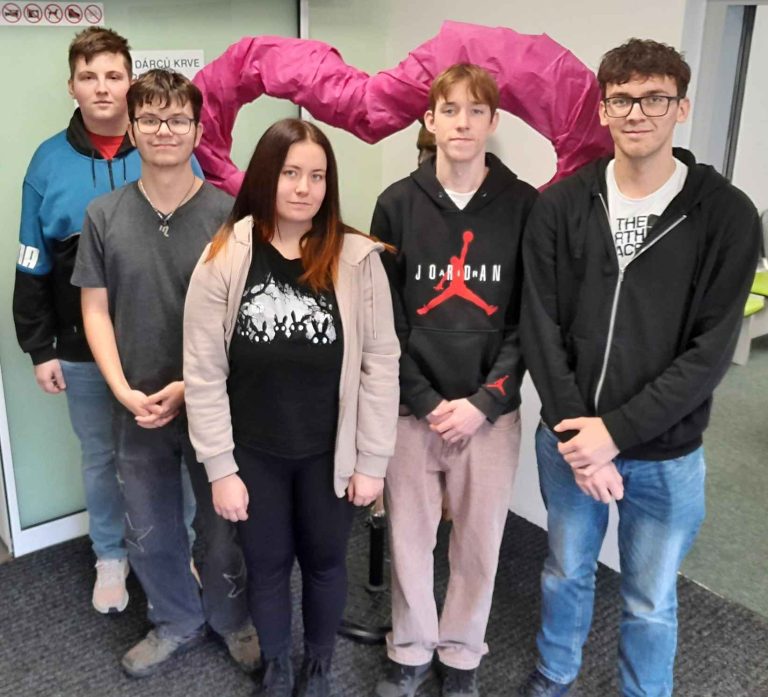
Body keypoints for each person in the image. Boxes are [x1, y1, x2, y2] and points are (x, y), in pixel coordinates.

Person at [518, 39, 761, 697]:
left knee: (650, 598)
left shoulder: (727, 216)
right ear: (603, 109)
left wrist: (615, 434)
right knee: (564, 570)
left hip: (665, 454)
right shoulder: (562, 206)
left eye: (655, 98)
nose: (636, 112)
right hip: (569, 441)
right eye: (622, 99)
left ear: (682, 107)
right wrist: (579, 434)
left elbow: (709, 352)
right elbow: (539, 326)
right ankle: (555, 672)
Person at [183, 117, 400, 697]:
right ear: (265, 177)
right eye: (290, 173)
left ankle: (319, 667)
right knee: (268, 564)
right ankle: (277, 665)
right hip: (255, 453)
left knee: (327, 562)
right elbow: (203, 371)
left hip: (331, 452)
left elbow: (380, 364)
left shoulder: (357, 259)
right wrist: (220, 468)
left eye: (317, 176)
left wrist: (373, 462)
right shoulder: (225, 256)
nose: (304, 187)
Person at [72, 69, 258, 677]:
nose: (164, 130)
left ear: (198, 131)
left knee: (223, 522)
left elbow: (242, 317)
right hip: (136, 401)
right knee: (149, 524)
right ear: (131, 130)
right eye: (149, 119)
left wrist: (190, 387)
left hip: (214, 399)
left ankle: (232, 619)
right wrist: (123, 389)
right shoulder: (103, 215)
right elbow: (94, 309)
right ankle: (175, 620)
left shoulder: (228, 215)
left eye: (178, 119)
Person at [12, 27, 198, 615]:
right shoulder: (47, 162)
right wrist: (40, 347)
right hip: (82, 348)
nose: (101, 88)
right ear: (71, 86)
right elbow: (32, 258)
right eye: (87, 77)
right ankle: (111, 556)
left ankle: (183, 547)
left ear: (130, 82)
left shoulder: (169, 148)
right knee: (101, 457)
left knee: (180, 452)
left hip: (166, 345)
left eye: (113, 76)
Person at [370, 64, 538, 697]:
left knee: (478, 544)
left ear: (493, 122)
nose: (462, 123)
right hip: (411, 411)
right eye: (450, 110)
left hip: (488, 416)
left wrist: (486, 401)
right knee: (409, 539)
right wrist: (423, 397)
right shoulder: (396, 204)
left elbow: (531, 318)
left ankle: (463, 653)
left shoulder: (525, 206)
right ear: (429, 120)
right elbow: (384, 317)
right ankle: (410, 649)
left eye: (475, 111)